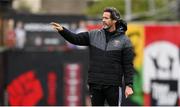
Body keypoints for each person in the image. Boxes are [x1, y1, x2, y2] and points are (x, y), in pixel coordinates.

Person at [51, 7, 135, 106]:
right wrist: (63, 31)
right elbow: (75, 39)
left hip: (113, 85)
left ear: (114, 20)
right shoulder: (94, 35)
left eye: (106, 18)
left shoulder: (124, 40)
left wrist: (129, 85)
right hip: (95, 83)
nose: (103, 20)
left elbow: (128, 65)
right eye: (102, 18)